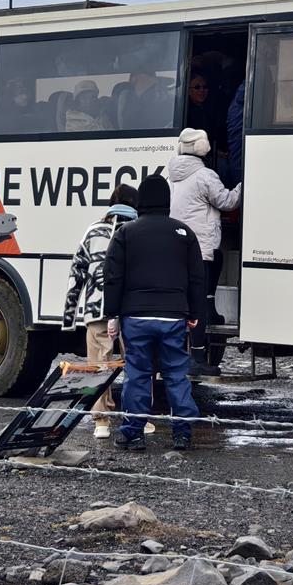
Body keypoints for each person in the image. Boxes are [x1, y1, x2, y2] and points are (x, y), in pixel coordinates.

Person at [102, 175, 206, 451]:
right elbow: (197, 277)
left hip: (136, 317)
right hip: (173, 316)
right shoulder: (183, 233)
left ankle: (133, 433)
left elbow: (112, 275)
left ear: (142, 201)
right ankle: (182, 433)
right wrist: (194, 313)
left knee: (137, 375)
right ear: (167, 201)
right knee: (175, 375)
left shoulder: (126, 232)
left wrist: (112, 314)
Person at [60, 184, 154, 440]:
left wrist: (69, 317)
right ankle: (139, 418)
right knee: (137, 364)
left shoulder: (93, 230)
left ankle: (101, 421)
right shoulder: (142, 232)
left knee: (99, 367)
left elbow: (77, 272)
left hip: (96, 309)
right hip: (132, 309)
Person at [167, 127, 242, 375]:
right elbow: (227, 202)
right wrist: (243, 185)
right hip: (201, 248)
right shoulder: (205, 175)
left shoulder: (173, 176)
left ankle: (183, 350)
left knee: (187, 301)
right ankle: (197, 357)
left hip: (179, 249)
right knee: (197, 303)